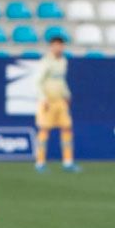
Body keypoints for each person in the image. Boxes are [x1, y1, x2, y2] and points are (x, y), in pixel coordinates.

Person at [34, 35, 78, 172]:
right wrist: (43, 98)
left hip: (60, 101)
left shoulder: (63, 61)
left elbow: (61, 81)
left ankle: (68, 161)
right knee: (44, 129)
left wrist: (66, 95)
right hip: (48, 101)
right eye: (56, 45)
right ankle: (40, 162)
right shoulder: (46, 61)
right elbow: (37, 81)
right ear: (51, 46)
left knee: (67, 128)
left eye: (61, 45)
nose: (59, 47)